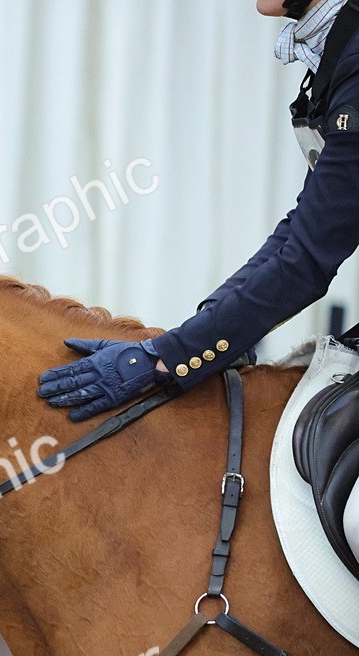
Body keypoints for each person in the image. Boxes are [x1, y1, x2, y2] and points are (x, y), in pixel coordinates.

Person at [39, 0, 359, 421]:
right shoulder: (339, 50)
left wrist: (171, 356)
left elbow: (305, 261)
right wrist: (198, 333)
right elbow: (300, 228)